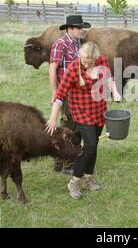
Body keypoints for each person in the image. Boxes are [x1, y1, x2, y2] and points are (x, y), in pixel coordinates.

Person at [45, 42, 121, 199]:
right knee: (90, 146)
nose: (87, 64)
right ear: (80, 57)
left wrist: (115, 91)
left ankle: (89, 180)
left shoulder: (102, 61)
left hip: (99, 111)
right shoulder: (73, 69)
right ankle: (74, 182)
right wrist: (53, 118)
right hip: (81, 113)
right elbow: (60, 96)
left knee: (93, 147)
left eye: (90, 62)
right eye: (84, 61)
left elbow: (109, 78)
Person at [49, 15, 89, 175]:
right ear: (70, 29)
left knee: (75, 124)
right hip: (66, 92)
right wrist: (55, 91)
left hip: (77, 93)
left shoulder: (78, 44)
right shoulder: (61, 44)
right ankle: (67, 164)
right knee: (68, 126)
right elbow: (53, 68)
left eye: (82, 27)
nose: (82, 30)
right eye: (79, 28)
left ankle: (59, 160)